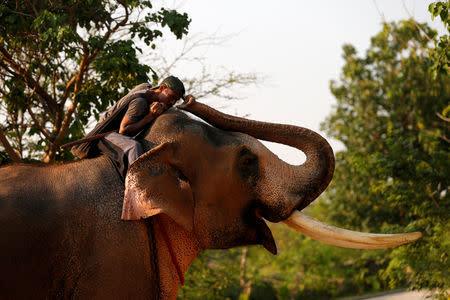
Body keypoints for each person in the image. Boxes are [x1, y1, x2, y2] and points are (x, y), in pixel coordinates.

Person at [71, 75, 186, 177]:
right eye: (171, 97)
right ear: (161, 88)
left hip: (114, 132)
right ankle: (137, 187)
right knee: (133, 147)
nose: (172, 102)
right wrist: (150, 117)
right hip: (103, 136)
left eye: (175, 100)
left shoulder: (146, 88)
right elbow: (124, 131)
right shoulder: (140, 102)